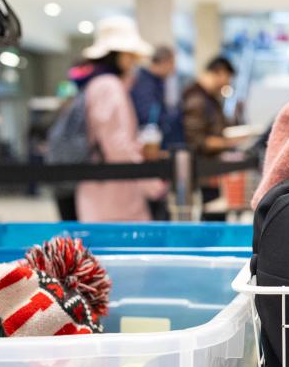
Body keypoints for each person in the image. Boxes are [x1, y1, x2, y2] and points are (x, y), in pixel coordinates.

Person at [75, 16, 166, 222]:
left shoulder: (98, 84)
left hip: (103, 190)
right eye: (130, 56)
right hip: (112, 196)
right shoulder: (109, 87)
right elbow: (117, 146)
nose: (133, 62)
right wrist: (151, 185)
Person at [182, 55, 237, 220]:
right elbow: (197, 141)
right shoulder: (197, 99)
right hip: (202, 173)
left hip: (210, 172)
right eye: (228, 78)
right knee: (211, 220)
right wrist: (228, 142)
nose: (228, 84)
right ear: (219, 73)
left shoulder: (209, 98)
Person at [129, 44, 178, 220]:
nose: (174, 69)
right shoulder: (145, 84)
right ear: (165, 62)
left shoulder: (155, 83)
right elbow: (148, 119)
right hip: (147, 150)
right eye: (172, 63)